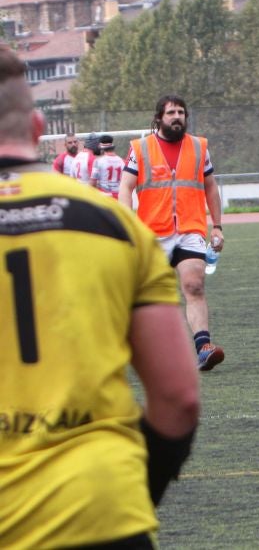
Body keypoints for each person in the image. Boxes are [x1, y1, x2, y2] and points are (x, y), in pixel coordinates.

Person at [0, 44, 200, 548]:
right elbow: (177, 399)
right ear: (40, 128)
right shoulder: (116, 226)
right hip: (102, 507)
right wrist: (138, 492)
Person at [118, 94, 226, 371]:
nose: (177, 116)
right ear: (159, 118)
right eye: (171, 113)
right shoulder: (139, 148)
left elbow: (211, 186)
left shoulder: (200, 147)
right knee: (149, 295)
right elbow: (126, 188)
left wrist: (217, 226)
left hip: (190, 228)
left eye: (181, 112)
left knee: (194, 285)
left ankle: (203, 348)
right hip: (151, 232)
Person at [91, 133, 125, 198]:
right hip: (118, 196)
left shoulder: (98, 161)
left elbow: (93, 182)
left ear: (100, 147)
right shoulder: (122, 161)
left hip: (103, 196)